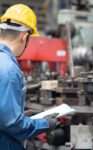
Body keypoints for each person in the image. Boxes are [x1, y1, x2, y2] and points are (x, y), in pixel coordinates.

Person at [0, 4, 57, 150]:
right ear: (24, 37)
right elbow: (10, 123)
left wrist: (20, 113)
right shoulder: (9, 69)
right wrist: (46, 124)